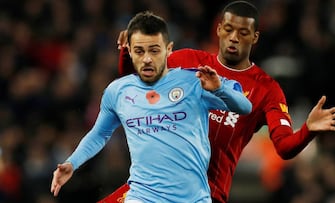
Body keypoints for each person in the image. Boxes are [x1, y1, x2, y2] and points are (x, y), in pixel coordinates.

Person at [107, 1, 335, 203]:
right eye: (229, 29)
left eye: (242, 33)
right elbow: (136, 83)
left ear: (255, 37)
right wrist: (128, 53)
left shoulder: (267, 89)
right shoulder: (187, 59)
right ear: (219, 29)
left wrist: (308, 130)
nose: (234, 38)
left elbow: (284, 147)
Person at [50, 11, 252, 203]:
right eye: (139, 51)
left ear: (169, 49)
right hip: (143, 195)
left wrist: (219, 90)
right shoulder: (118, 91)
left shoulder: (195, 81)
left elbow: (245, 107)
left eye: (154, 50)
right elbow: (99, 134)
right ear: (129, 51)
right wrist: (72, 163)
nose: (147, 58)